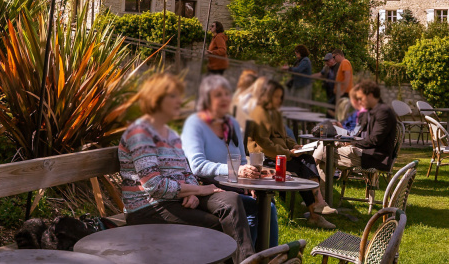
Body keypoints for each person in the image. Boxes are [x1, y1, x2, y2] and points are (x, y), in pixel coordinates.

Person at [119, 73, 254, 263]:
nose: (179, 102)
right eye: (173, 96)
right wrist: (198, 190)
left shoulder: (171, 134)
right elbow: (154, 186)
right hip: (148, 207)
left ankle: (249, 260)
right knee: (215, 226)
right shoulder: (140, 133)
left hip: (175, 199)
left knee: (230, 200)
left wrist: (191, 192)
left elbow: (187, 172)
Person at [181, 75, 279, 248]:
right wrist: (235, 170)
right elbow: (197, 166)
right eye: (219, 94)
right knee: (262, 208)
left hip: (234, 184)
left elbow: (242, 159)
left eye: (227, 94)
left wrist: (249, 182)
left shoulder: (231, 123)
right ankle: (258, 257)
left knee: (266, 204)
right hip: (208, 187)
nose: (225, 98)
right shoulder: (195, 124)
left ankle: (264, 255)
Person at [248, 79, 336, 229]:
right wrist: (288, 152)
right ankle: (315, 211)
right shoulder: (258, 114)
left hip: (281, 154)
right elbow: (265, 145)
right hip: (266, 158)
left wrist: (295, 146)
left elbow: (284, 137)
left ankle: (318, 203)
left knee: (307, 159)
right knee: (303, 168)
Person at [313, 80, 398, 191]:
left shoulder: (383, 112)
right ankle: (320, 197)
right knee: (324, 150)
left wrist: (352, 142)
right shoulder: (371, 111)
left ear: (370, 95)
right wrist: (346, 138)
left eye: (361, 98)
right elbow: (360, 133)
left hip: (373, 157)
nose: (359, 102)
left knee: (325, 150)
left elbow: (374, 140)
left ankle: (311, 185)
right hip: (362, 151)